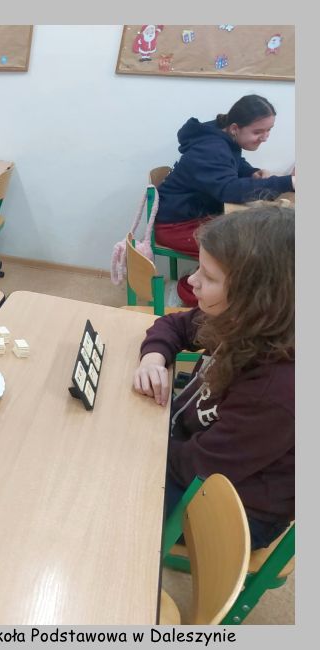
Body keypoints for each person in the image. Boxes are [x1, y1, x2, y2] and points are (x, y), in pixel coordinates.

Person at [133, 206, 294, 550]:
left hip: (237, 510)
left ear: (256, 297)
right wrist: (153, 357)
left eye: (207, 276)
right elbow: (175, 325)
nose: (191, 281)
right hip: (194, 452)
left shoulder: (277, 391)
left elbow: (199, 467)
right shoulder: (241, 318)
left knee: (111, 494)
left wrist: (138, 443)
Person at [155, 94, 295, 306]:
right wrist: (287, 182)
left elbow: (234, 163)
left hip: (192, 215)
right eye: (258, 132)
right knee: (244, 255)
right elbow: (229, 190)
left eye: (269, 130)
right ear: (235, 128)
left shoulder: (222, 137)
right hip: (176, 225)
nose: (265, 137)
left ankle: (202, 277)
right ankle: (182, 292)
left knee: (249, 239)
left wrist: (251, 172)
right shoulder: (211, 148)